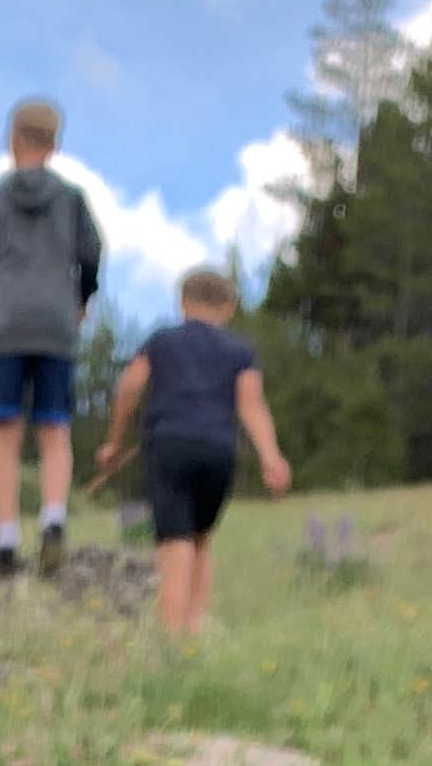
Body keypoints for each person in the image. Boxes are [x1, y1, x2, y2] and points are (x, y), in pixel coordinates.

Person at [92, 268, 289, 637]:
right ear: (228, 308)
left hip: (169, 446)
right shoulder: (239, 351)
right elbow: (252, 406)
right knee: (200, 537)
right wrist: (271, 457)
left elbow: (129, 387)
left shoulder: (161, 341)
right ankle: (194, 625)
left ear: (182, 303)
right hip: (218, 450)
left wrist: (114, 442)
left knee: (174, 539)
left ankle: (173, 635)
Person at [0, 97, 104, 580]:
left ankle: (6, 536)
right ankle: (52, 518)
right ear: (55, 143)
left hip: (6, 322)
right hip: (55, 320)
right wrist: (81, 299)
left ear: (12, 139)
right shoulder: (72, 199)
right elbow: (91, 254)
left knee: (5, 434)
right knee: (54, 429)